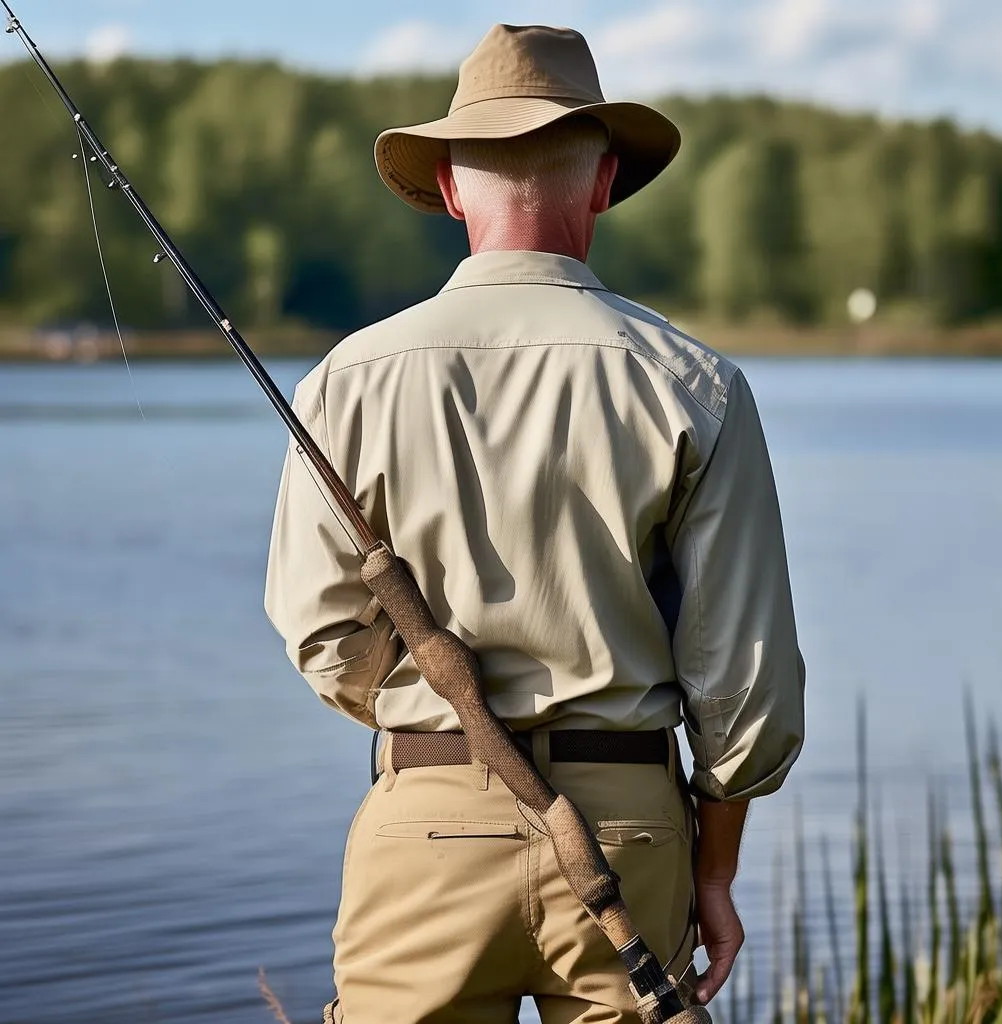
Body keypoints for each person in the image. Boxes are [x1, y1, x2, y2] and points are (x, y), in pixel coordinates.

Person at [265, 23, 805, 1024]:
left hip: (419, 827)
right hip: (630, 834)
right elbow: (744, 685)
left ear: (449, 185)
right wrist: (714, 871)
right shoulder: (697, 385)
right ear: (602, 184)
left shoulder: (346, 379)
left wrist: (437, 742)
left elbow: (326, 642)